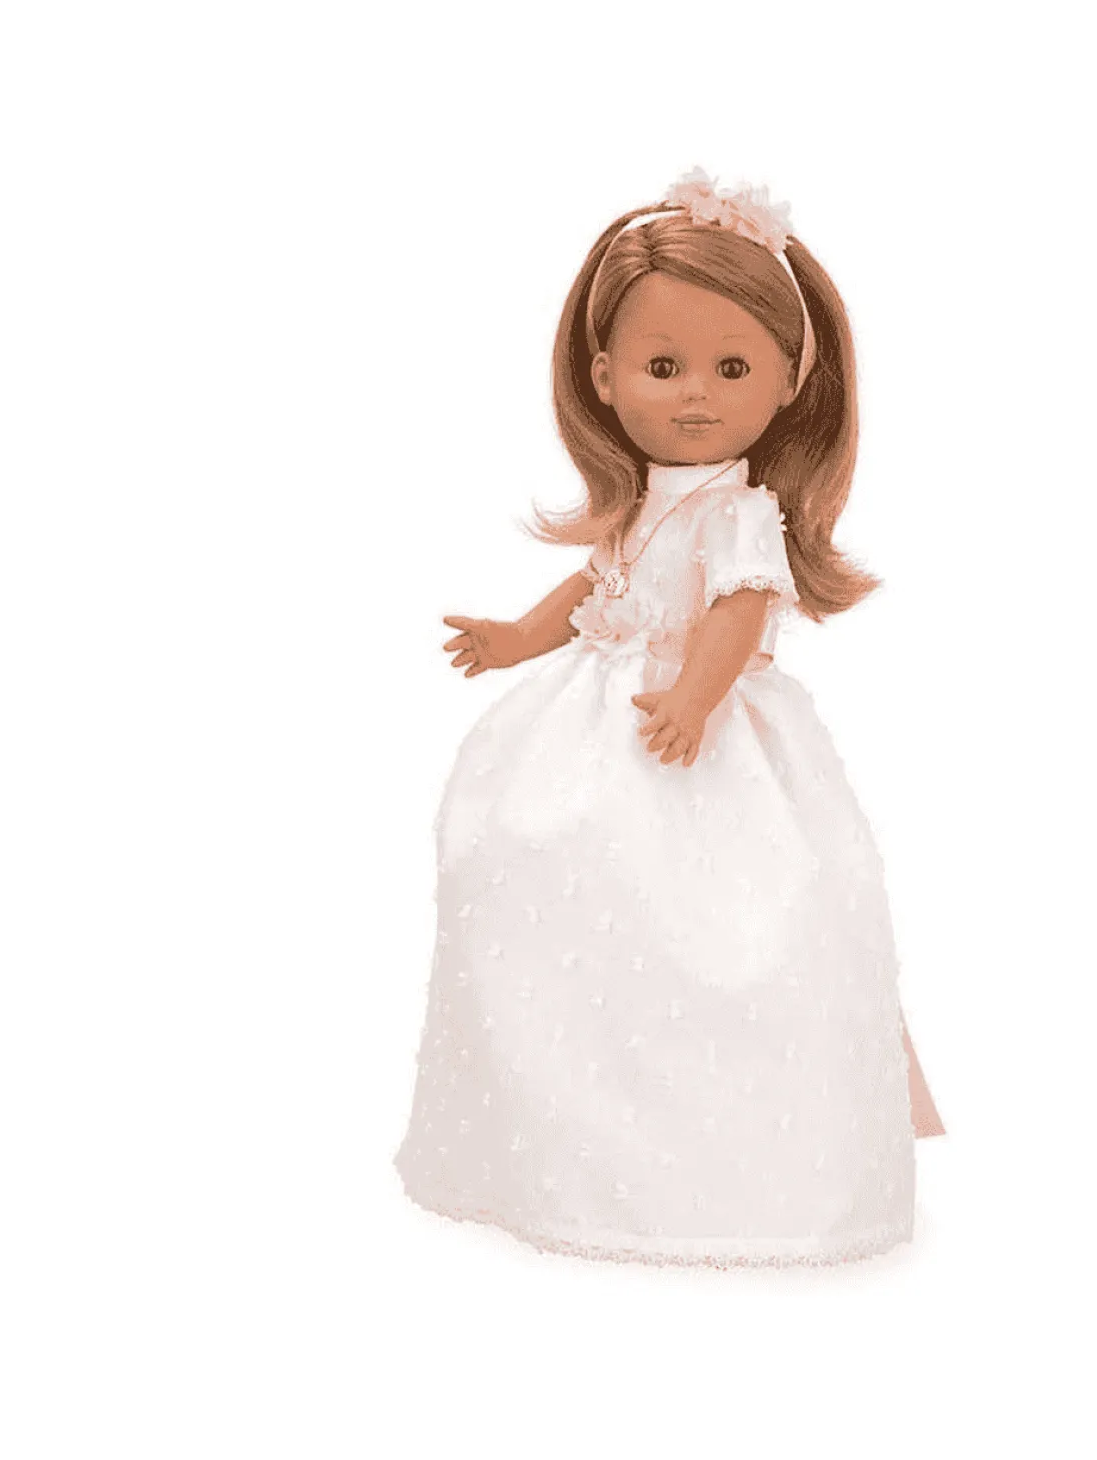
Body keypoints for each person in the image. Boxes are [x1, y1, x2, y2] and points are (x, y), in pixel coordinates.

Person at [394, 166, 944, 1269]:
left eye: (731, 368)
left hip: (698, 729)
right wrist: (513, 636)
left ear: (789, 379)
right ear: (603, 377)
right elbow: (592, 588)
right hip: (589, 719)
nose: (696, 394)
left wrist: (696, 694)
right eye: (663, 366)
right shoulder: (638, 505)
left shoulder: (741, 514)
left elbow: (739, 611)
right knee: (544, 878)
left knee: (719, 919)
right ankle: (561, 1133)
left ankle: (715, 1161)